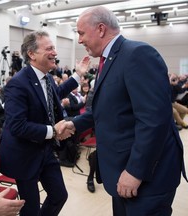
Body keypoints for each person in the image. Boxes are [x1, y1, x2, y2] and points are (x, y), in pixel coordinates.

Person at [59, 6, 186, 216]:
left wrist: (135, 171)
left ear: (100, 29)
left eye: (81, 33)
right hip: (121, 171)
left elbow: (154, 120)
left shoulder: (137, 54)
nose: (79, 40)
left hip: (146, 177)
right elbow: (109, 107)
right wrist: (74, 123)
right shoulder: (109, 60)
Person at [0, 30, 90, 216]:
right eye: (49, 48)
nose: (55, 52)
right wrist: (53, 131)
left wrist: (77, 75)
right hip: (24, 154)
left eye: (54, 48)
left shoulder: (46, 78)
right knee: (30, 209)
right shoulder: (17, 83)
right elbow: (17, 125)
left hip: (45, 150)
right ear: (31, 54)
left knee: (59, 195)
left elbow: (54, 95)